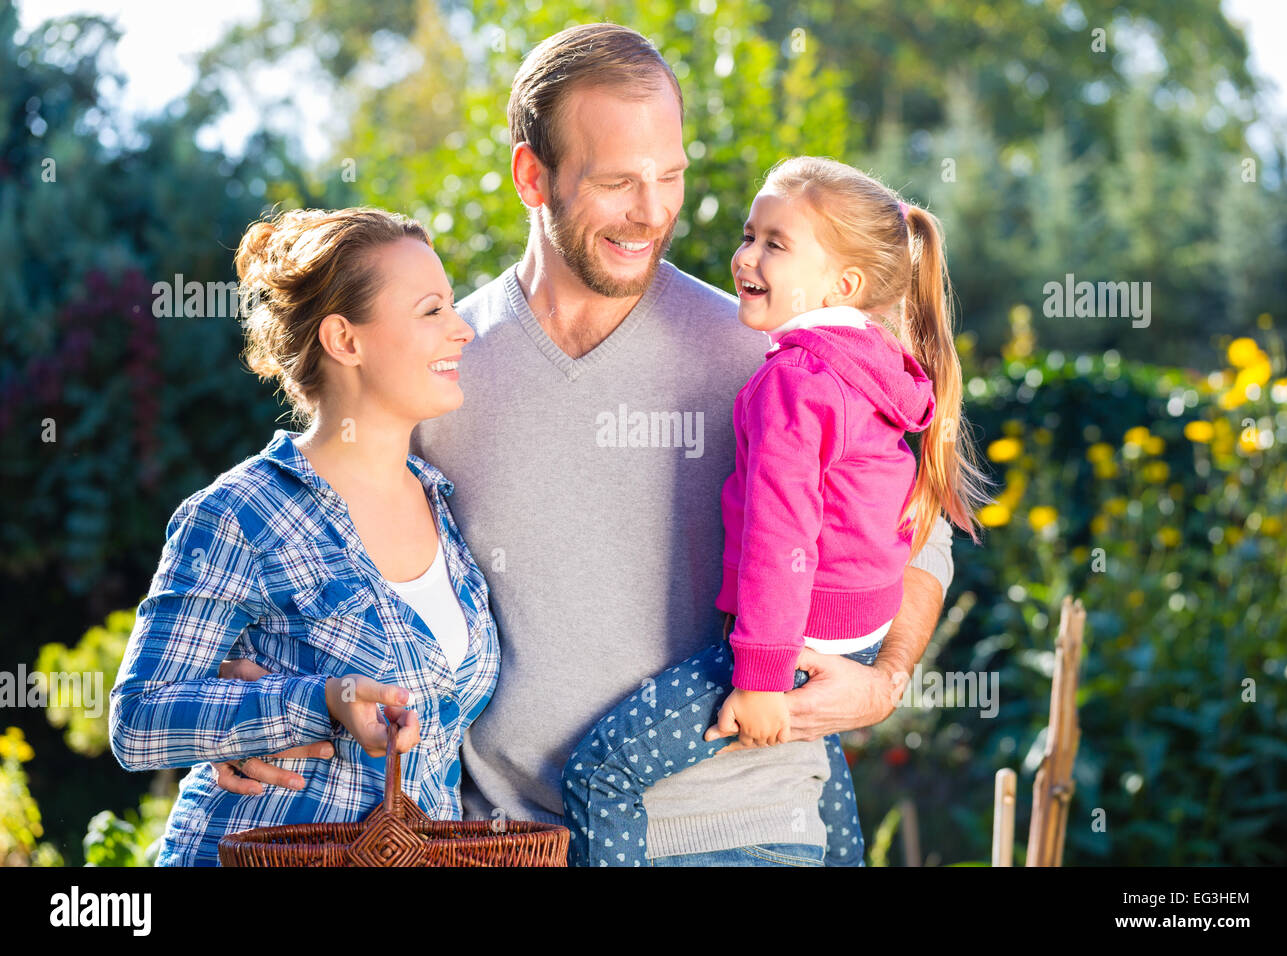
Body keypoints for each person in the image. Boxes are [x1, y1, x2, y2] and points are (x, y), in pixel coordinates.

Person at [211, 22, 957, 867]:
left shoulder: (772, 351)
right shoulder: (442, 367)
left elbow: (921, 525)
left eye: (669, 176)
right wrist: (250, 699)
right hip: (513, 840)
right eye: (616, 182)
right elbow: (314, 533)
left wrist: (885, 679)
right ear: (533, 176)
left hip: (747, 832)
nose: (651, 212)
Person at [563, 156, 992, 866]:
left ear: (843, 284)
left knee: (599, 772)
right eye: (748, 234)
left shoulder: (795, 380)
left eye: (775, 244)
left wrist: (759, 678)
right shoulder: (877, 370)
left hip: (791, 642)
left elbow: (779, 536)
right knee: (824, 779)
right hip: (853, 633)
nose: (745, 257)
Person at [108, 207, 497, 866]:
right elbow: (139, 720)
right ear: (345, 340)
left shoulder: (445, 504)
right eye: (431, 310)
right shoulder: (241, 513)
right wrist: (316, 701)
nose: (461, 330)